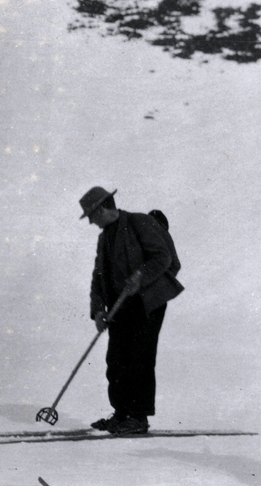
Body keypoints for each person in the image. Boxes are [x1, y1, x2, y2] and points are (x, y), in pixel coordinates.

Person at [81, 185, 183, 435]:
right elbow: (98, 275)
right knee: (116, 360)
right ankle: (121, 414)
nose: (92, 222)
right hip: (119, 305)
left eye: (92, 216)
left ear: (103, 209)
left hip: (147, 302)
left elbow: (163, 258)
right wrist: (97, 310)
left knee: (139, 358)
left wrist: (140, 276)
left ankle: (138, 418)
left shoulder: (140, 222)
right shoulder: (105, 237)